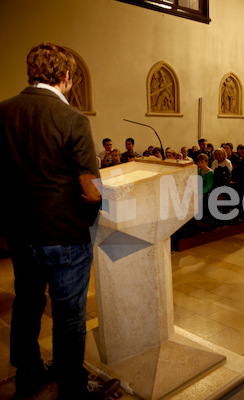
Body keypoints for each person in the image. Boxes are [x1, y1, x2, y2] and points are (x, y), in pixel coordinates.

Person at [0, 42, 119, 399]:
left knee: (27, 303)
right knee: (69, 317)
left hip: (21, 235)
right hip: (64, 236)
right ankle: (72, 386)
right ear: (66, 77)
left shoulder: (4, 111)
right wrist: (99, 203)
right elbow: (90, 187)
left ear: (31, 72)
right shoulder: (72, 119)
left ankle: (29, 373)